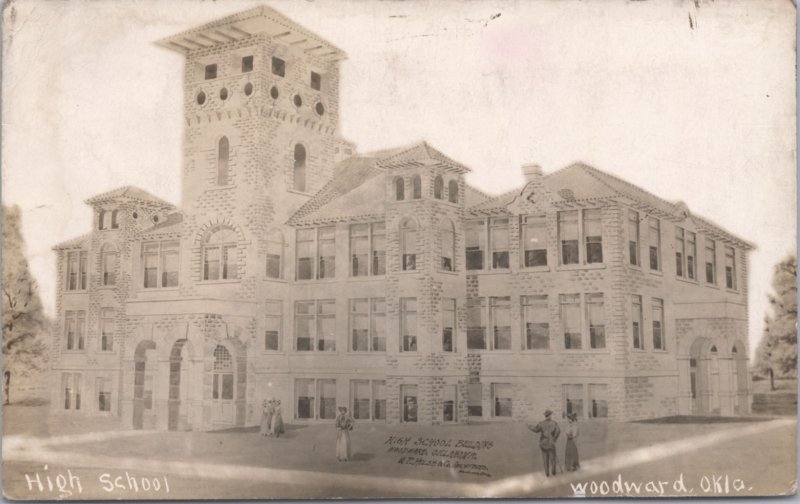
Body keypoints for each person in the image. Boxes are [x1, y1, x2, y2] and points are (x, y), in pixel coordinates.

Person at [528, 409, 560, 477]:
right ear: (550, 415)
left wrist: (529, 426)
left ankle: (547, 473)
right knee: (552, 458)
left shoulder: (541, 423)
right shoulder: (554, 423)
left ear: (545, 416)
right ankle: (553, 472)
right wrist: (554, 439)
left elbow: (536, 430)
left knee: (545, 459)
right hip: (551, 443)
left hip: (543, 443)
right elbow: (558, 431)